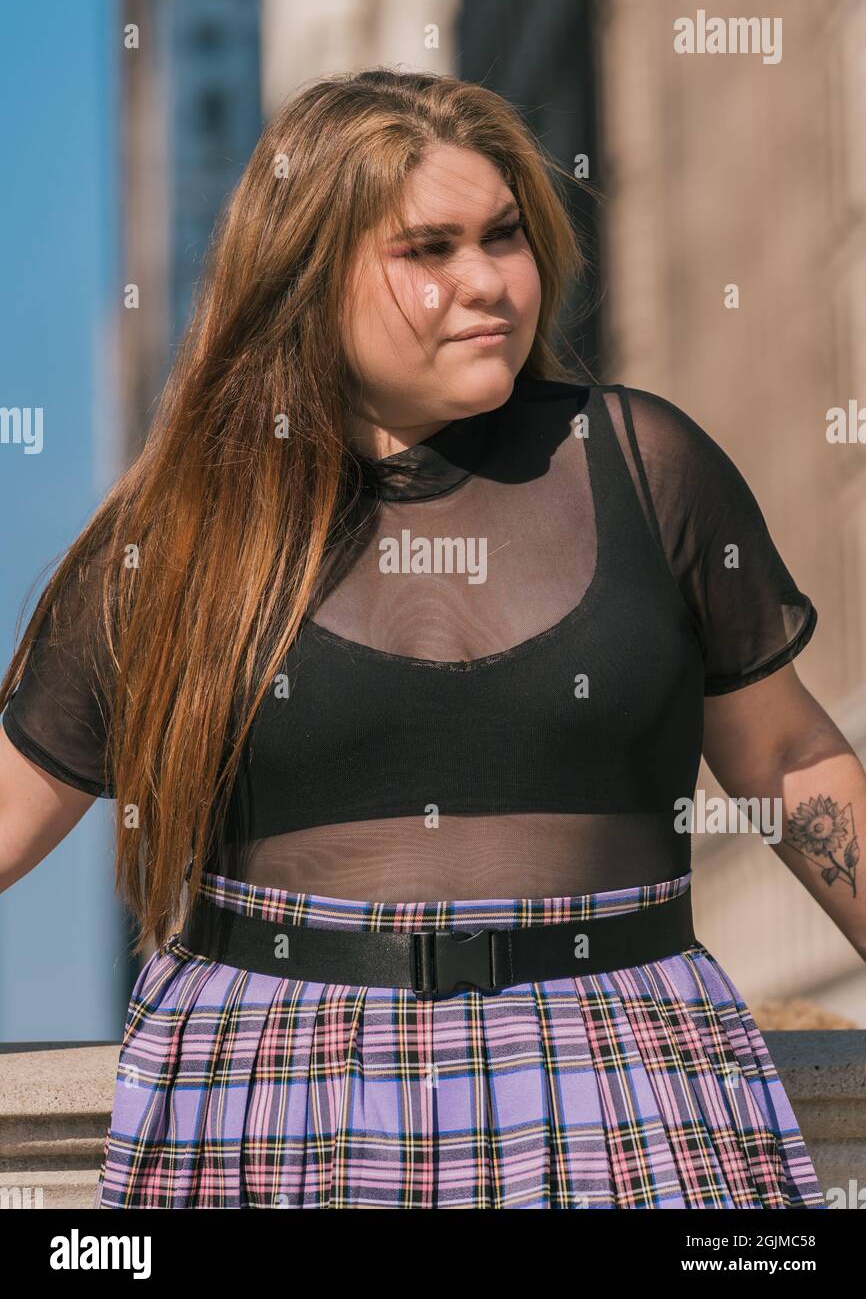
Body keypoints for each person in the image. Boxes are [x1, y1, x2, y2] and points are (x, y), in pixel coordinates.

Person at [1, 68, 862, 1210]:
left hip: (634, 1077)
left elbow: (788, 758)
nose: (488, 281)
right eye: (429, 250)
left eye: (504, 235)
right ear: (307, 279)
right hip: (272, 1099)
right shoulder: (180, 537)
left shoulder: (646, 463)